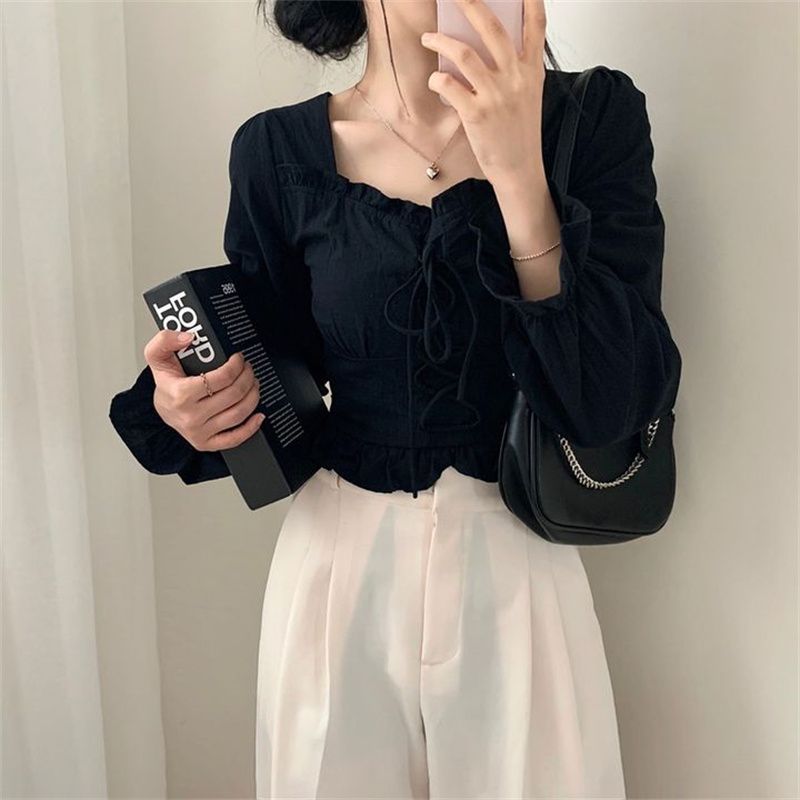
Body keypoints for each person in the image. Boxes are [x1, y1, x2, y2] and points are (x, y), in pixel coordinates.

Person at [109, 0, 682, 795]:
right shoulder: (279, 153)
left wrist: (518, 172)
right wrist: (189, 406)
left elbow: (609, 404)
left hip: (520, 560)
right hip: (338, 572)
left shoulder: (592, 120)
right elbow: (272, 370)